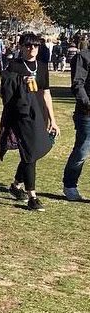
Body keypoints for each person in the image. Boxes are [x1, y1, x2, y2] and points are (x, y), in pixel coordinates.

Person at [0, 32, 59, 212]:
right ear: (21, 47)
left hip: (38, 114)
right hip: (21, 115)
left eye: (35, 46)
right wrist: (20, 81)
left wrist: (52, 119)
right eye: (27, 45)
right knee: (30, 152)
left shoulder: (42, 66)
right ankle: (32, 196)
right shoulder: (15, 65)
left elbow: (45, 93)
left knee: (36, 150)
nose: (32, 48)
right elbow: (5, 90)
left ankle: (16, 184)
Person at [62, 42, 90, 201]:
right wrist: (87, 103)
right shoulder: (84, 56)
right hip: (86, 114)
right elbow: (77, 84)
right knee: (82, 151)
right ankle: (70, 185)